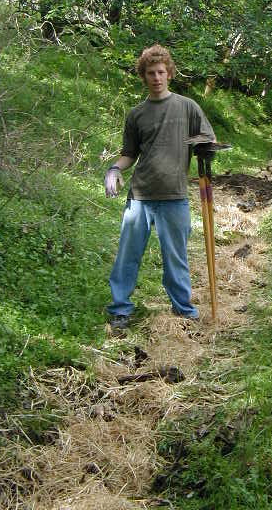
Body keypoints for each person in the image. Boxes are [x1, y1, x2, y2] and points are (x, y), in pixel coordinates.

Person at [104, 44, 215, 330]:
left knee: (175, 258)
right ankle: (120, 310)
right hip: (140, 196)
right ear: (144, 76)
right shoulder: (137, 114)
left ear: (169, 74)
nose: (156, 77)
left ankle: (183, 312)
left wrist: (206, 150)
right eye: (151, 73)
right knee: (127, 256)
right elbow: (129, 153)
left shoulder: (187, 107)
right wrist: (114, 169)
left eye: (161, 72)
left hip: (174, 196)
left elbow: (207, 139)